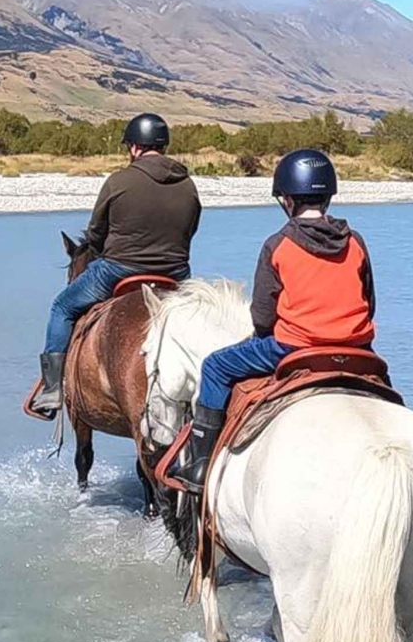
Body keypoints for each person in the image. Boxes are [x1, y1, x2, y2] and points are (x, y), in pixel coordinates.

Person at [171, 148, 376, 491]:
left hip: (293, 347)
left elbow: (263, 317)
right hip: (357, 349)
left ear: (287, 199)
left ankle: (200, 466)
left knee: (216, 366)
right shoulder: (355, 242)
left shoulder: (278, 244)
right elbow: (369, 303)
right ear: (328, 196)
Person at [29, 112, 201, 419]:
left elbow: (95, 233)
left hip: (118, 270)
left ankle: (52, 389)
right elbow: (191, 229)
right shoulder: (188, 185)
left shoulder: (119, 181)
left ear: (134, 147)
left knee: (62, 308)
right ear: (162, 146)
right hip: (175, 274)